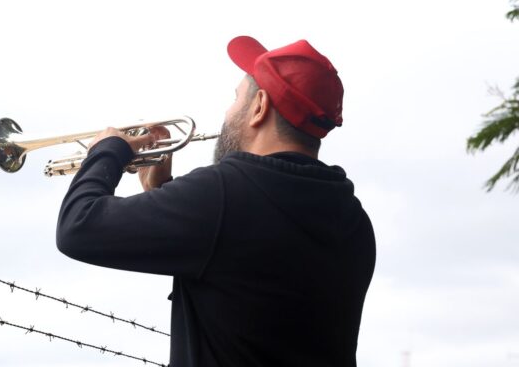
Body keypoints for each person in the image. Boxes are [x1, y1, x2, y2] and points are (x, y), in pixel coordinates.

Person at [56, 35, 376, 367]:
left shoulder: (224, 194)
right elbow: (240, 270)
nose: (228, 111)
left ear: (259, 106)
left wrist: (109, 150)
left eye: (236, 98)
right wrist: (162, 191)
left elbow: (78, 227)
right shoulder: (352, 218)